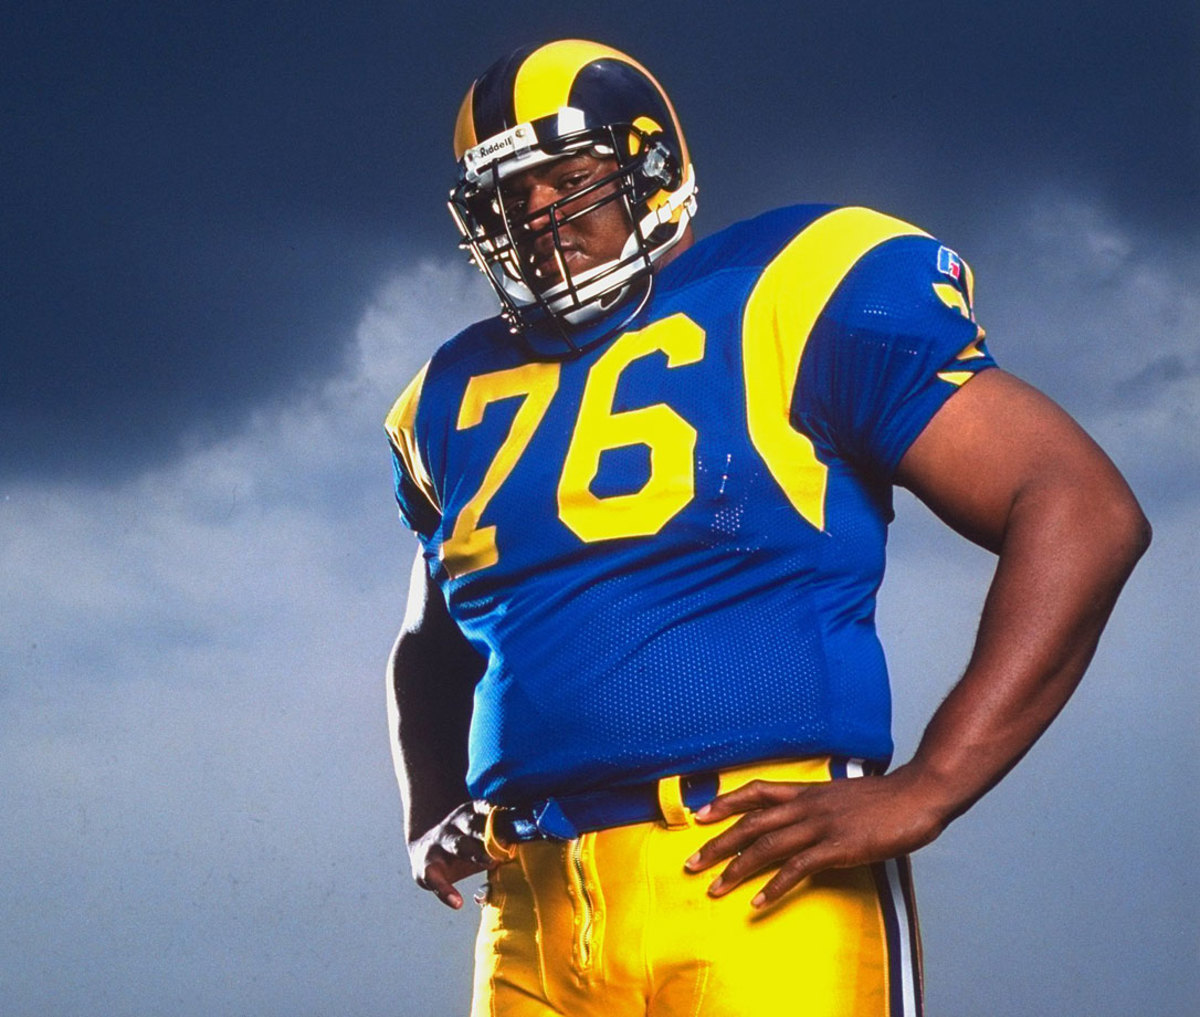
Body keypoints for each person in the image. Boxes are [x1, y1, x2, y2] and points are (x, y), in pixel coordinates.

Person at [383, 38, 1150, 1017]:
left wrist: (933, 782)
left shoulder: (795, 282)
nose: (538, 218)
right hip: (531, 909)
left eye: (567, 181)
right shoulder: (446, 392)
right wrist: (431, 803)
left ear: (648, 167)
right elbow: (433, 638)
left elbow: (1081, 506)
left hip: (758, 868)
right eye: (508, 199)